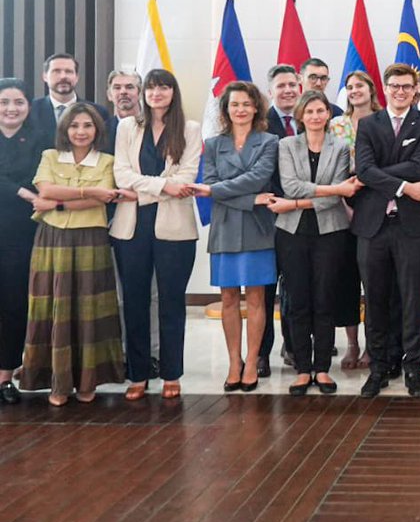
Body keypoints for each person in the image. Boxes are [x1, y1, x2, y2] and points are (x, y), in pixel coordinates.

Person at [22, 104, 130, 404]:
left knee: (89, 309)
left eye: (87, 126)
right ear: (64, 130)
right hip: (52, 238)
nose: (81, 132)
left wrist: (60, 201)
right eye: (74, 126)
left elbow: (104, 199)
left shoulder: (108, 161)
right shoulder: (50, 156)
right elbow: (44, 189)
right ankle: (57, 383)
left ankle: (87, 381)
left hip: (91, 237)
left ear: (97, 130)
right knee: (53, 308)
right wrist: (87, 192)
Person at [109, 69, 201, 400]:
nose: (156, 92)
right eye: (151, 87)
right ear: (144, 93)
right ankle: (137, 374)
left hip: (175, 229)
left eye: (163, 87)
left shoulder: (189, 129)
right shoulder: (127, 127)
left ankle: (171, 372)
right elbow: (121, 174)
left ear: (173, 92)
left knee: (171, 301)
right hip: (130, 227)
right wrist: (164, 185)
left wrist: (145, 186)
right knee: (134, 301)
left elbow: (187, 177)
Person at [353, 63, 420, 398]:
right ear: (384, 89)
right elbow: (362, 168)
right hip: (372, 226)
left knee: (412, 298)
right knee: (374, 299)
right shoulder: (368, 124)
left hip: (412, 227)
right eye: (394, 86)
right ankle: (378, 368)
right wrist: (404, 186)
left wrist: (377, 175)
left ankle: (412, 368)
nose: (400, 91)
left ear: (415, 90)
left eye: (406, 86)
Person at [270, 90, 360, 396]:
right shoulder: (286, 145)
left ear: (328, 114)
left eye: (320, 110)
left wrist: (296, 203)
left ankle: (321, 368)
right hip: (291, 234)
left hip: (331, 233)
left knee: (324, 300)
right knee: (296, 301)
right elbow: (290, 186)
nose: (315, 116)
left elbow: (337, 196)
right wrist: (330, 189)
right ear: (300, 115)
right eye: (309, 111)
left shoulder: (340, 146)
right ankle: (302, 369)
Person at [192, 82, 279, 393]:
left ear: (256, 108)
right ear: (226, 110)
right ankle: (233, 362)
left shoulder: (269, 142)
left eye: (246, 104)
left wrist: (221, 192)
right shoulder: (214, 145)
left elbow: (259, 178)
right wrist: (248, 198)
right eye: (234, 104)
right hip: (226, 227)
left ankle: (253, 361)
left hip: (258, 228)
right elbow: (210, 184)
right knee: (229, 298)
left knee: (256, 298)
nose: (240, 109)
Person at [328, 69, 382, 370]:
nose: (354, 91)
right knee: (348, 281)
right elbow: (329, 165)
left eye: (360, 85)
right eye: (349, 87)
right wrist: (342, 200)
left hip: (375, 204)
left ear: (371, 89)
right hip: (341, 204)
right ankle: (351, 343)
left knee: (374, 283)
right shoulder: (336, 124)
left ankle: (374, 347)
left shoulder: (383, 120)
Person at [0, 79, 46, 404]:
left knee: (15, 304)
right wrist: (19, 191)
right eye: (4, 102)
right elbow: (23, 187)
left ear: (28, 106)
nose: (11, 109)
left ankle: (5, 375)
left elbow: (41, 178)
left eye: (18, 102)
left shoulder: (40, 139)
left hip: (21, 234)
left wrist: (25, 190)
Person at [262, 63, 302, 375]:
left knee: (294, 287)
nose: (287, 90)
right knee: (264, 289)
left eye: (292, 84)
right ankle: (261, 354)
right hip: (266, 216)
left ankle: (294, 347)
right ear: (270, 91)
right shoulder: (261, 123)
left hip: (302, 216)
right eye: (281, 85)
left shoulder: (311, 119)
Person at [30, 53, 111, 135]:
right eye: (56, 71)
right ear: (45, 77)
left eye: (68, 71)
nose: (63, 76)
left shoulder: (98, 112)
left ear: (77, 77)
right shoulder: (31, 111)